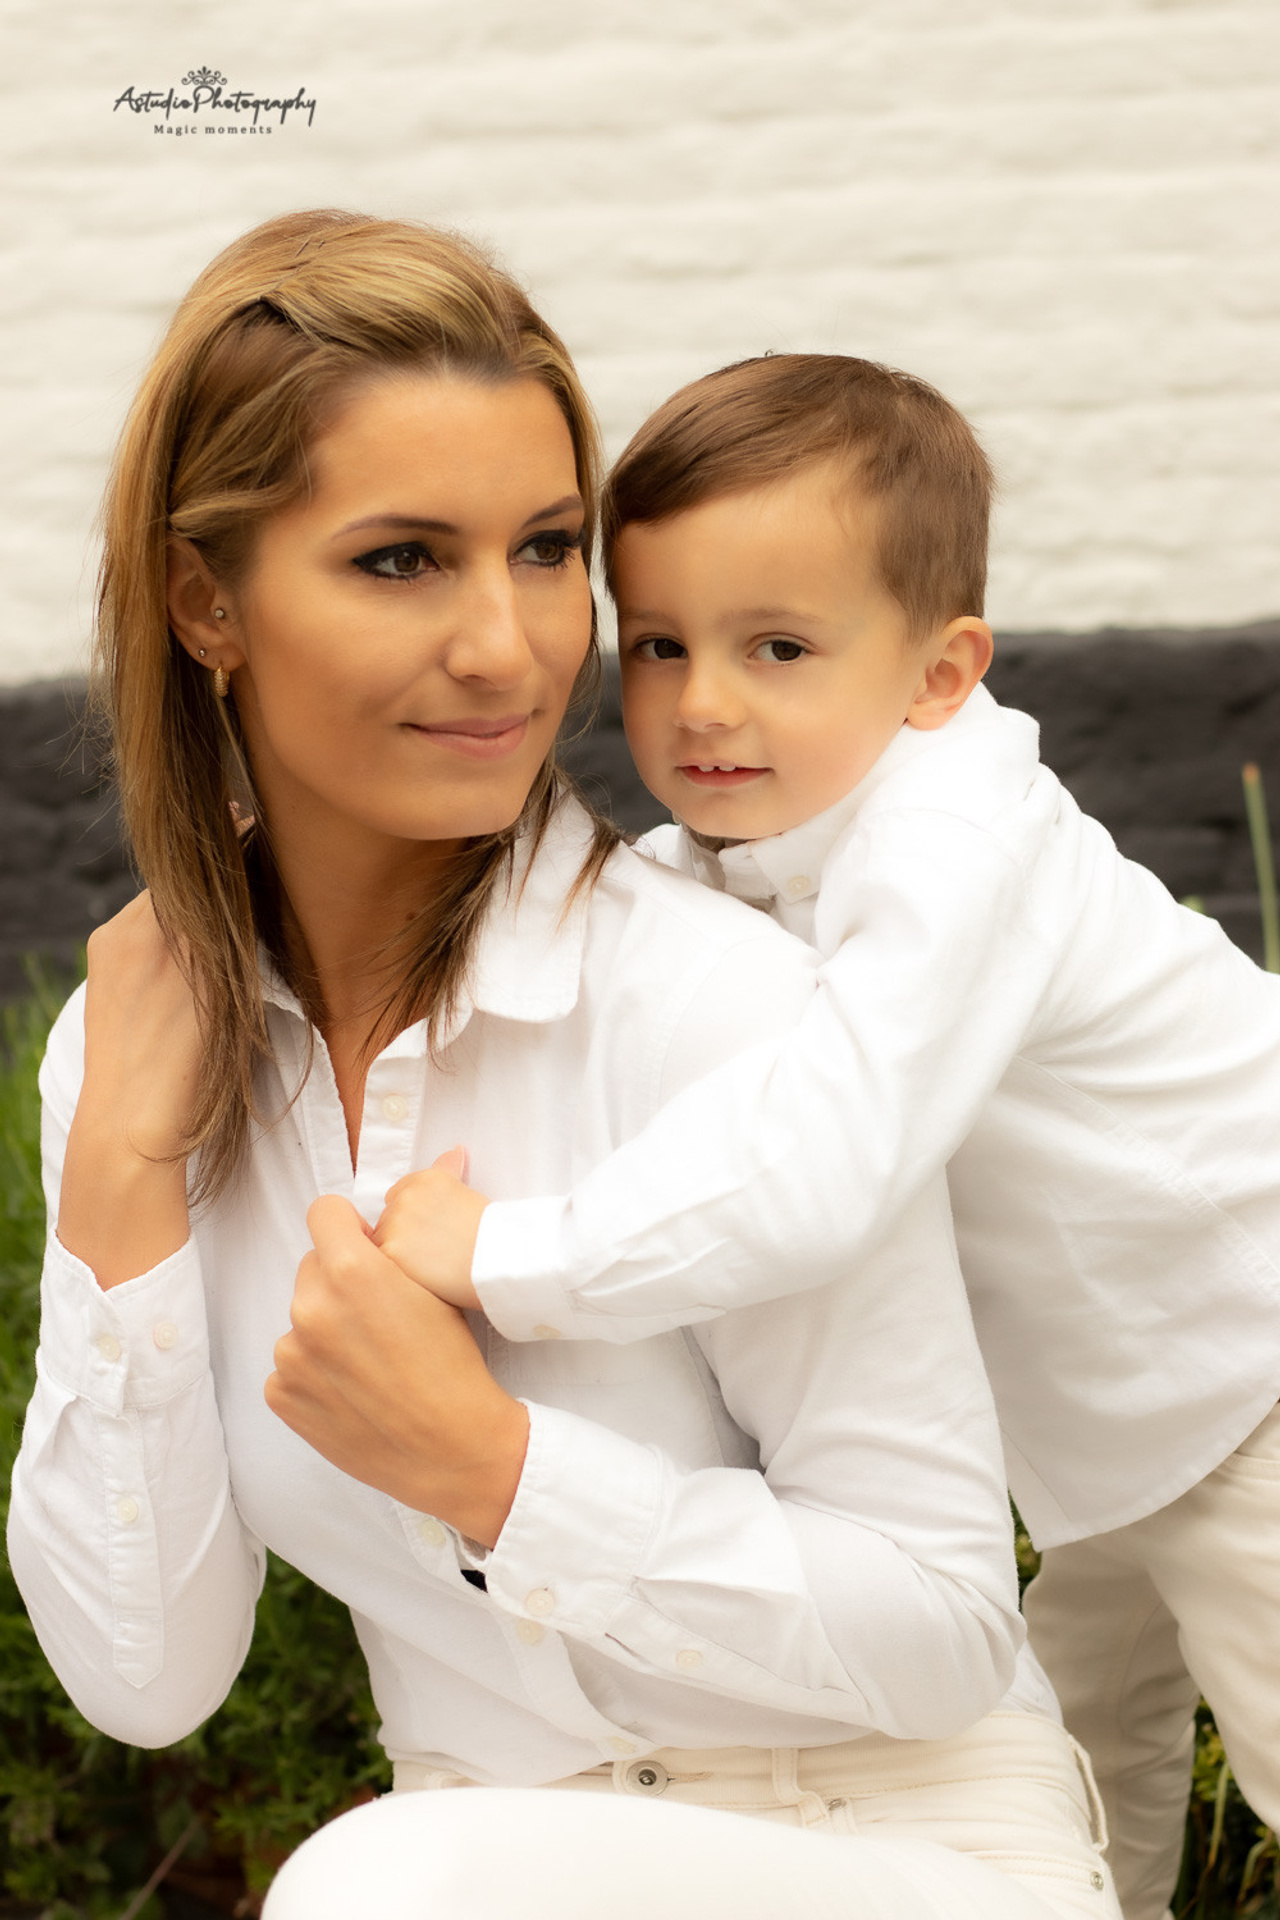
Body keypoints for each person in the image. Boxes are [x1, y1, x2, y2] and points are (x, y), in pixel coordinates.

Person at [7, 216, 1116, 1918]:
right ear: (205, 600)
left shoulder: (723, 1011)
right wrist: (116, 1190)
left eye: (543, 550)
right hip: (498, 1863)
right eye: (402, 560)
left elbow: (947, 1624)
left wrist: (498, 1474)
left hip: (901, 1848)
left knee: (375, 1885)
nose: (509, 647)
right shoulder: (129, 1055)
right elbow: (147, 1679)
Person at [386, 353, 1280, 1920]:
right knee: (1079, 1752)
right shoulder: (738, 848)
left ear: (941, 675)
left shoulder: (952, 844)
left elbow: (823, 1162)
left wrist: (514, 1257)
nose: (704, 704)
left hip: (1249, 1373)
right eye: (659, 646)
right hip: (1114, 1422)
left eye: (780, 647)